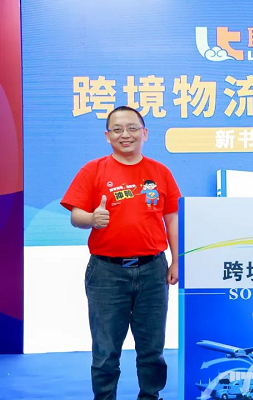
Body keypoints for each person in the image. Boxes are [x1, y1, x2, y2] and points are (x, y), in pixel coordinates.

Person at [61, 105, 181, 400]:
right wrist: (92, 218)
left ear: (145, 133)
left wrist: (177, 261)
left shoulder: (161, 172)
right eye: (117, 129)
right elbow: (76, 215)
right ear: (107, 136)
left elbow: (172, 219)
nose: (125, 134)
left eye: (132, 128)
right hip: (106, 272)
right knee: (105, 351)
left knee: (152, 349)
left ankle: (150, 396)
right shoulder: (93, 170)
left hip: (153, 269)